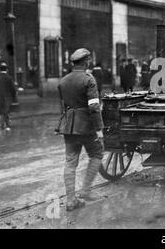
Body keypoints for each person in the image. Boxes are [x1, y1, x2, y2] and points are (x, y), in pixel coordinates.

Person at [57, 48, 104, 211]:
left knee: (70, 162)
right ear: (85, 62)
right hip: (86, 126)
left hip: (68, 127)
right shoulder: (88, 79)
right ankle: (85, 190)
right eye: (88, 60)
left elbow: (62, 108)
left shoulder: (63, 81)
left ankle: (71, 200)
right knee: (97, 154)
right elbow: (94, 107)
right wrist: (99, 128)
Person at [0, 62, 17, 132]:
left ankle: (2, 125)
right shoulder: (9, 78)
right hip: (7, 97)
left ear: (0, 70)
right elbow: (13, 88)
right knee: (6, 111)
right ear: (6, 70)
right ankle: (7, 125)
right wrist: (14, 96)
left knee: (2, 112)